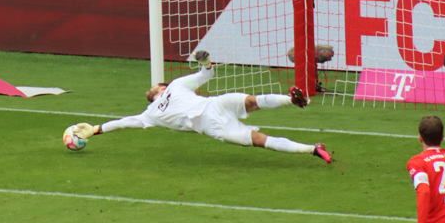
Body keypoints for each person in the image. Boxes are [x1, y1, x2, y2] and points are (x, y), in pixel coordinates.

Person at [71, 51, 332, 163]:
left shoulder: (176, 85)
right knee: (259, 139)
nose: (147, 91)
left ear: (161, 87)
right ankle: (312, 149)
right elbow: (126, 122)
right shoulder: (149, 114)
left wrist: (206, 63)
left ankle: (294, 100)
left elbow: (205, 76)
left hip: (215, 104)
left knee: (252, 101)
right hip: (213, 126)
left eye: (151, 88)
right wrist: (96, 129)